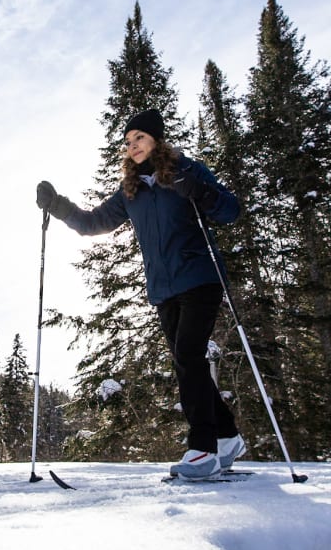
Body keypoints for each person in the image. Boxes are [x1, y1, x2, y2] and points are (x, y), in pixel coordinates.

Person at [35, 108, 245, 480]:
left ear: (156, 140)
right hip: (164, 289)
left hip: (199, 276)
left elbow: (231, 210)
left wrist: (200, 191)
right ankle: (227, 437)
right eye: (128, 141)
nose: (133, 146)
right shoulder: (130, 191)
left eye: (140, 138)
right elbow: (92, 223)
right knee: (186, 361)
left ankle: (204, 447)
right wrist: (58, 206)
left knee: (188, 355)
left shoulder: (186, 171)